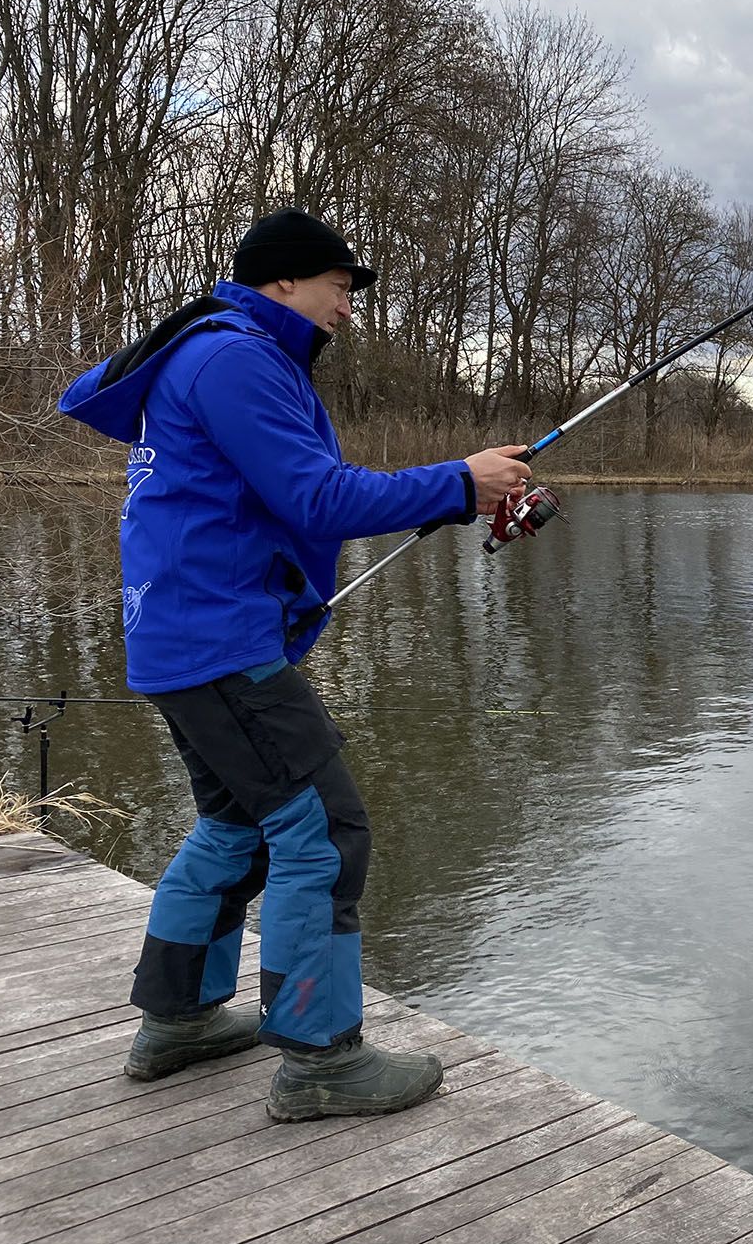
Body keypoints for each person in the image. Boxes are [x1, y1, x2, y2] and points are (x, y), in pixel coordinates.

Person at [59, 208, 531, 1120]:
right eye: (340, 288)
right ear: (283, 281)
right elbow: (314, 497)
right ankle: (321, 1059)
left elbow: (271, 503)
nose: (349, 308)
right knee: (324, 828)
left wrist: (453, 490)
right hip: (218, 644)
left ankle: (181, 1020)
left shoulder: (219, 352)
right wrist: (459, 481)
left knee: (237, 825)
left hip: (191, 640)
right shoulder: (236, 357)